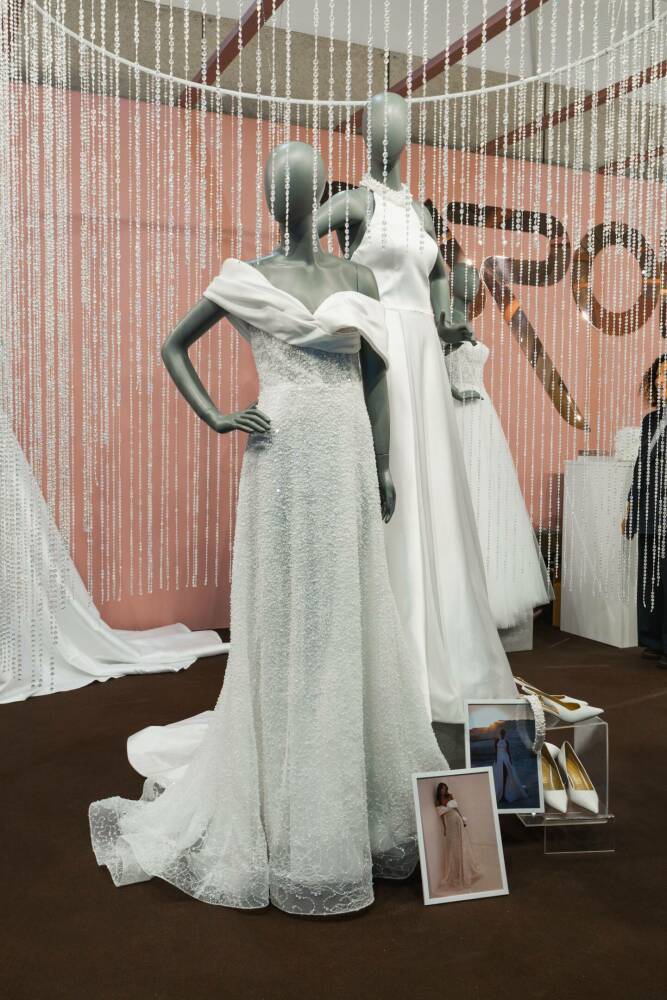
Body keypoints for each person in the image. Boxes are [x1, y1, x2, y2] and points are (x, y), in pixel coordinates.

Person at [88, 142, 447, 916]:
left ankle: (351, 783)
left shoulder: (357, 276)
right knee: (286, 613)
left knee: (349, 607)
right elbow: (173, 346)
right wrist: (217, 414)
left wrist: (383, 465)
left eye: (298, 185)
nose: (286, 196)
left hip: (345, 455)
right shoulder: (242, 278)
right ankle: (287, 783)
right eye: (277, 185)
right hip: (279, 457)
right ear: (268, 198)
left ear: (317, 197)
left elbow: (374, 377)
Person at [624, 354, 667, 669]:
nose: (660, 380)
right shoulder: (650, 420)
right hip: (649, 508)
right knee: (649, 576)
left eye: (666, 375)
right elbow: (642, 465)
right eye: (658, 375)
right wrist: (631, 503)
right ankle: (652, 640)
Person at [435, 782, 481, 891]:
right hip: (449, 823)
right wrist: (444, 828)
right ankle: (456, 872)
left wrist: (462, 819)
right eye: (441, 789)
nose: (443, 790)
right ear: (439, 790)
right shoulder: (437, 801)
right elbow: (441, 816)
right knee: (453, 847)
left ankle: (465, 869)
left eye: (444, 789)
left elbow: (456, 809)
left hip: (457, 820)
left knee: (461, 843)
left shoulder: (450, 796)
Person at [492, 727, 528, 804]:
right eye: (502, 733)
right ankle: (500, 793)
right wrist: (495, 759)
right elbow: (495, 751)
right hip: (499, 759)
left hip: (505, 758)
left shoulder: (506, 741)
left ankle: (505, 793)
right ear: (500, 733)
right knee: (499, 775)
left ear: (504, 734)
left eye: (503, 733)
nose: (502, 734)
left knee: (506, 774)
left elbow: (508, 751)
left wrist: (510, 760)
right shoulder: (497, 741)